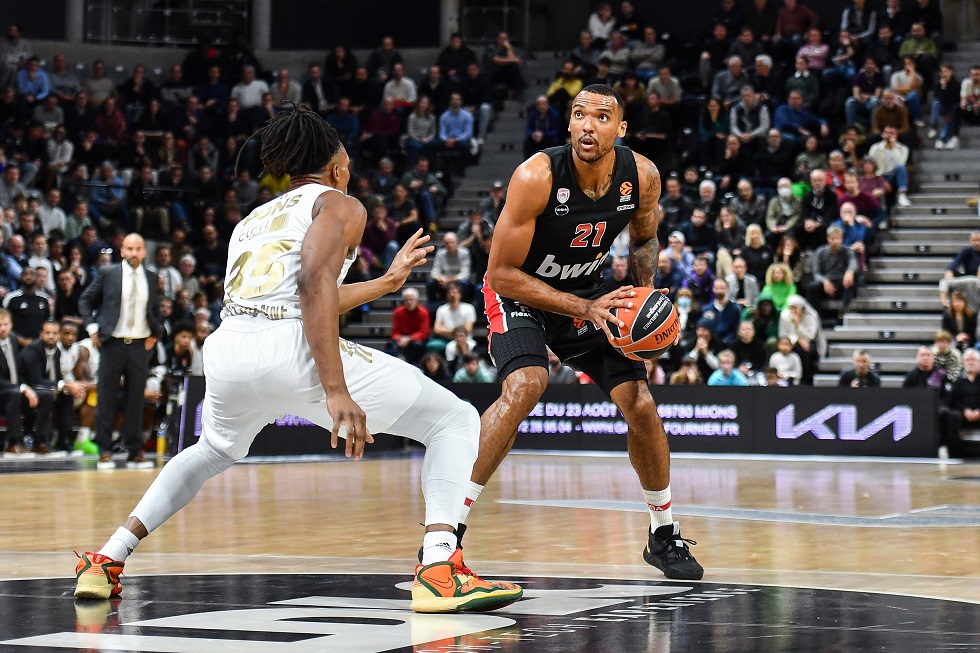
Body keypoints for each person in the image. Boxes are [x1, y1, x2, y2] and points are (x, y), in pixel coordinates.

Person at [73, 106, 521, 612]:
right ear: (336, 168)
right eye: (347, 166)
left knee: (211, 450)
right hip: (289, 347)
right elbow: (311, 284)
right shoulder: (340, 204)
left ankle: (108, 557)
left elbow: (307, 292)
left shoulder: (251, 220)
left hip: (228, 346)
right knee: (454, 420)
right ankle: (439, 567)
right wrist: (336, 389)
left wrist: (386, 283)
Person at [465, 85, 703, 581]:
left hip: (588, 293)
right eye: (579, 115)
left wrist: (644, 299)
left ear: (621, 129)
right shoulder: (536, 176)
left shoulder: (642, 176)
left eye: (601, 116)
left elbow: (645, 237)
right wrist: (584, 308)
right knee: (527, 384)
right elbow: (502, 274)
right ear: (569, 124)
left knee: (640, 402)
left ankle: (664, 533)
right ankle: (448, 530)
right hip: (521, 293)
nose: (587, 125)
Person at [77, 234, 160, 470]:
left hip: (140, 345)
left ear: (144, 252)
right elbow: (85, 300)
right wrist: (93, 328)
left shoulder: (152, 277)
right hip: (112, 342)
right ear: (122, 251)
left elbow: (155, 310)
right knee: (106, 397)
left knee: (136, 399)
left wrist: (156, 332)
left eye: (138, 249)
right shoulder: (108, 273)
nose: (134, 253)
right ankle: (104, 451)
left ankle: (134, 452)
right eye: (129, 249)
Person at [390, 287, 429, 364]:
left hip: (417, 340)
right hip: (402, 339)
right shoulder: (398, 312)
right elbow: (395, 332)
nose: (409, 302)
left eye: (411, 299)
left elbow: (424, 333)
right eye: (406, 300)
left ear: (416, 300)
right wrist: (399, 338)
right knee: (394, 346)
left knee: (418, 345)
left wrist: (409, 338)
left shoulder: (423, 312)